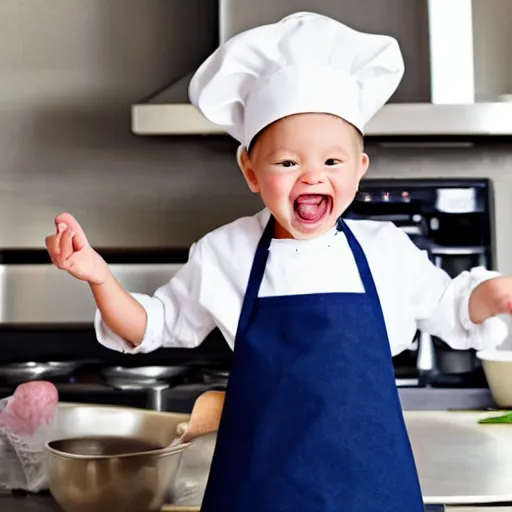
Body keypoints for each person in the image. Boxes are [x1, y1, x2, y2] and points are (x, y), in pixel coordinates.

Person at [46, 12, 511, 512]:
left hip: (371, 491)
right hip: (259, 493)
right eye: (288, 162)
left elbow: (455, 306)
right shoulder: (226, 252)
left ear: (360, 169)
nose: (311, 176)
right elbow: (148, 327)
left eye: (332, 162)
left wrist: (499, 293)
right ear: (250, 169)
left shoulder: (385, 250)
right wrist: (99, 279)